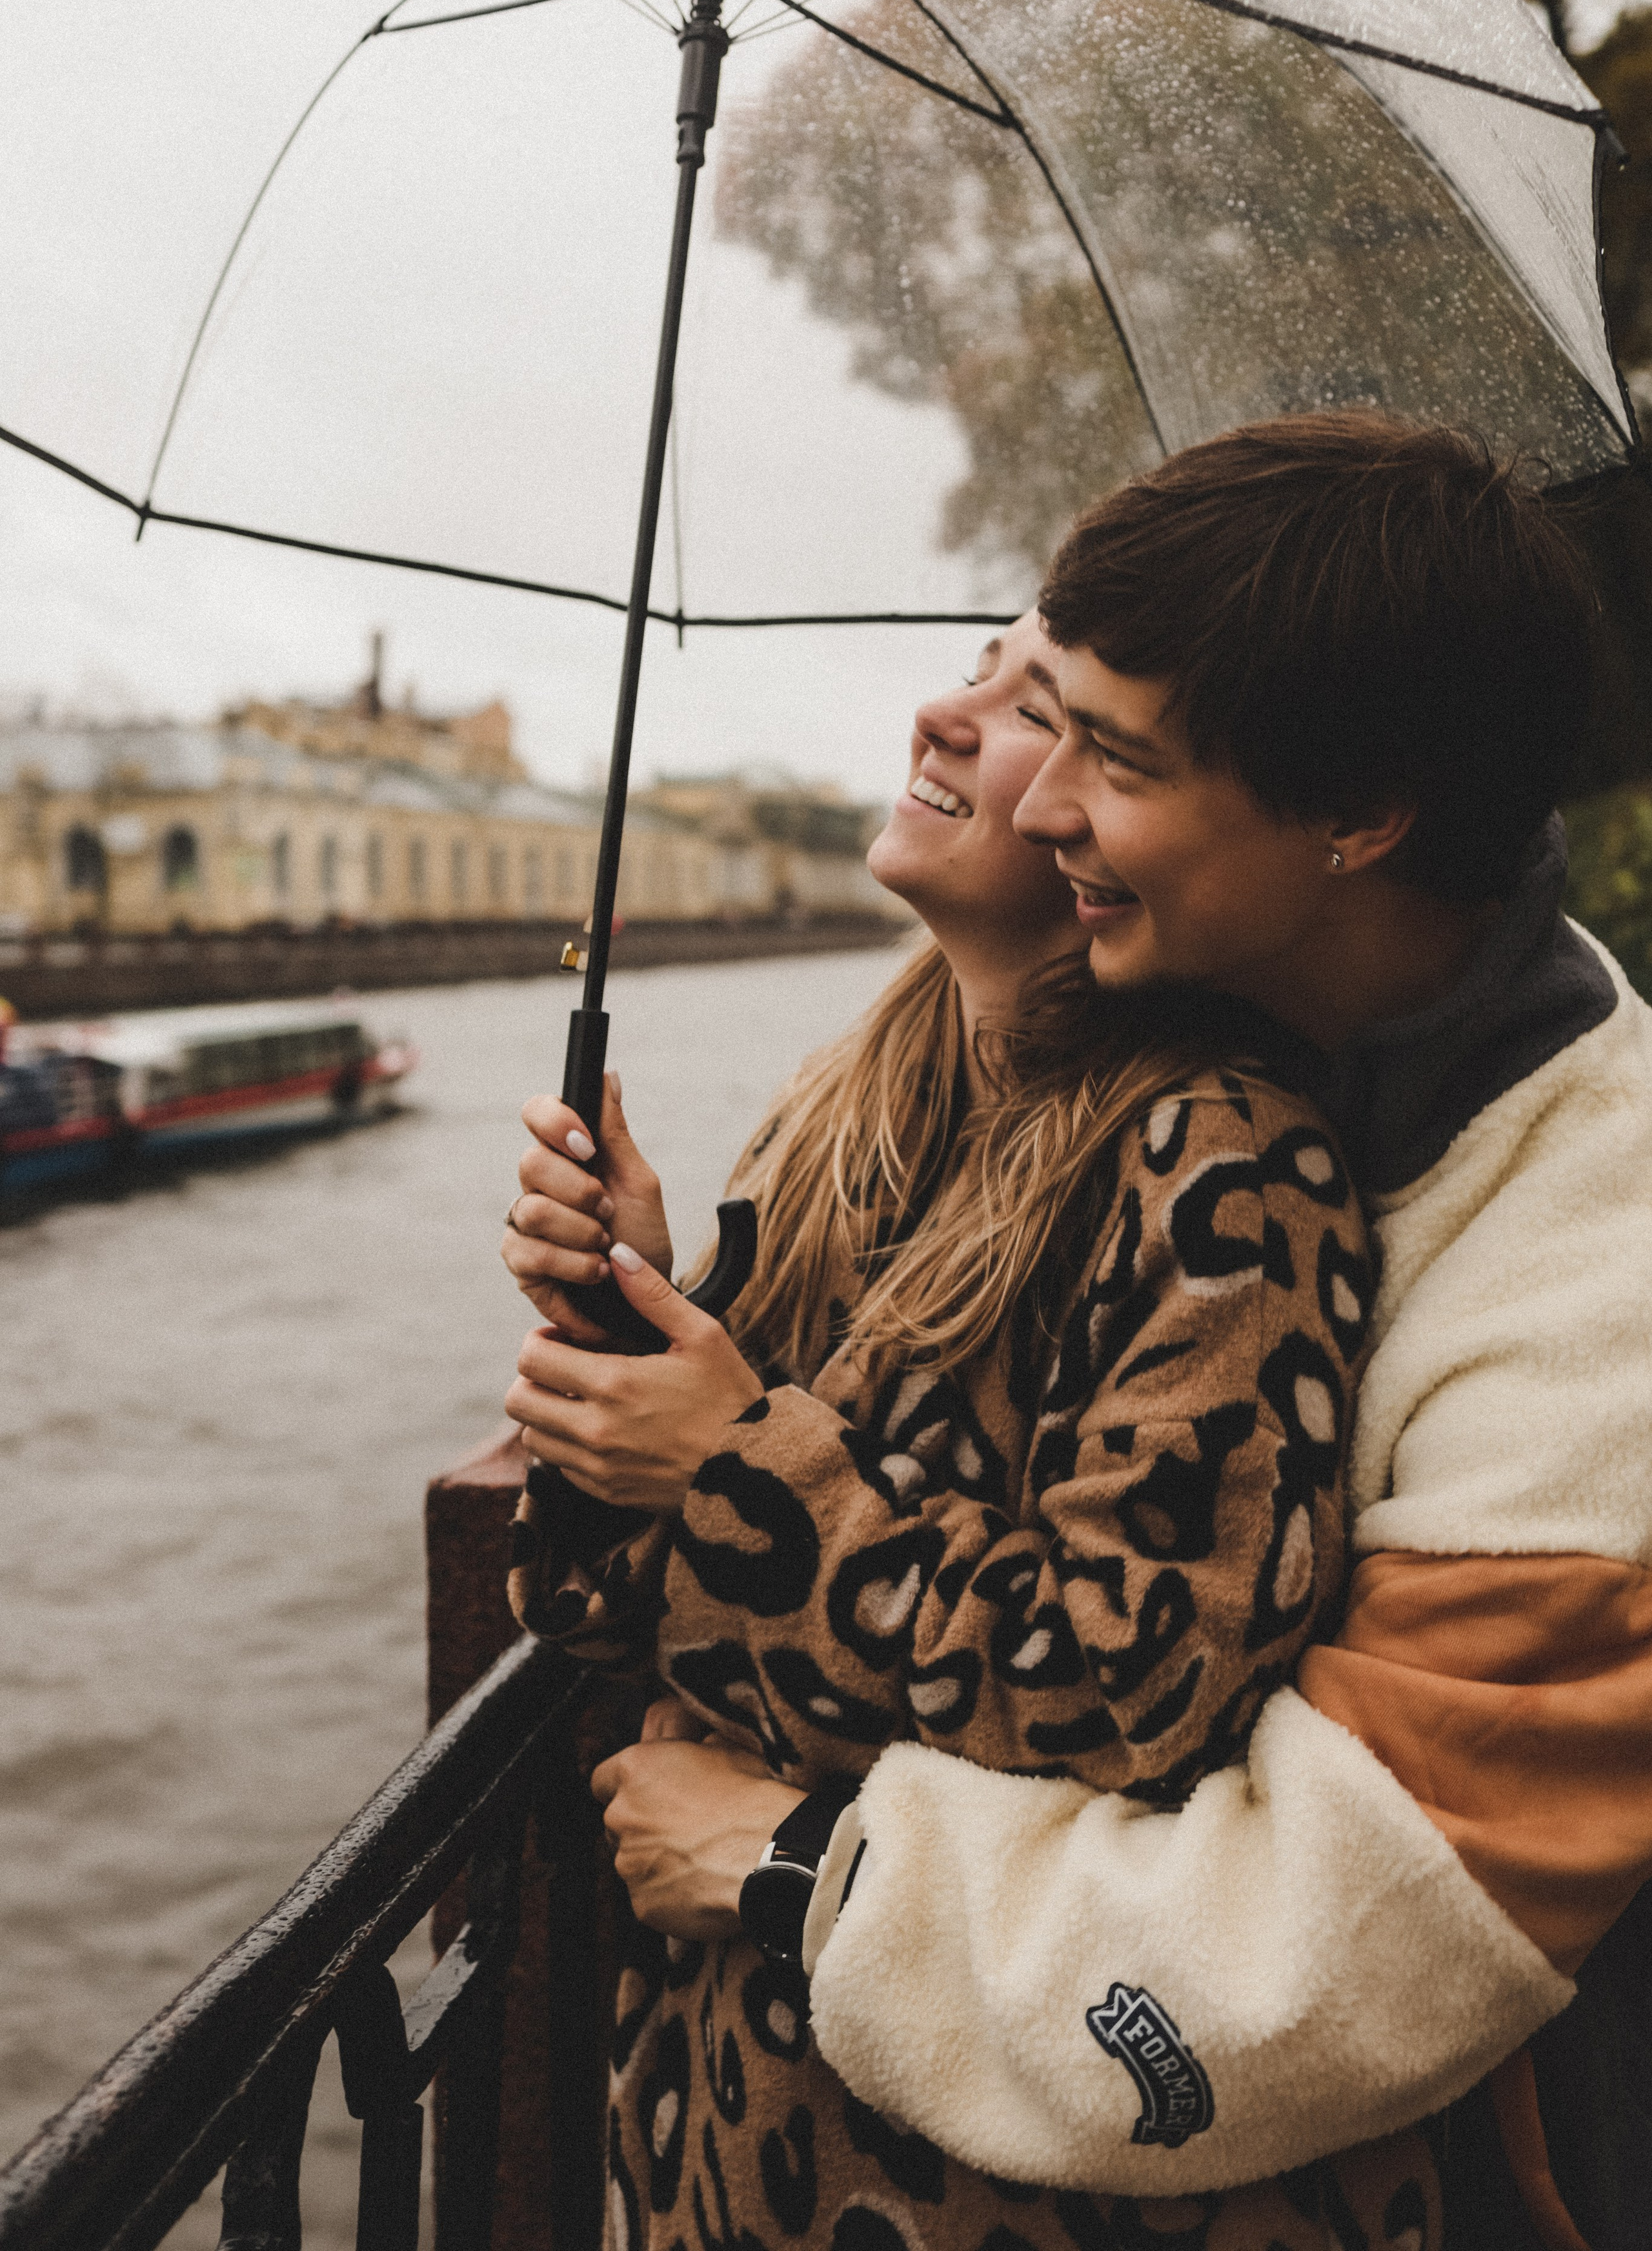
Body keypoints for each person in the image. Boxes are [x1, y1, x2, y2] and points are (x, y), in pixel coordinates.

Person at [581, 413, 1652, 2251]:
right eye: (1044, 719)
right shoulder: (1216, 1066)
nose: (1043, 800)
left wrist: (789, 1873)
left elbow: (1340, 1947)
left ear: (1361, 820)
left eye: (1116, 756)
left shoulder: (1599, 1294)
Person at [502, 608, 1389, 2245]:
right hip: (728, 2144)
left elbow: (1134, 1684)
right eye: (974, 668)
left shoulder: (1226, 1163)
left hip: (998, 2178)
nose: (943, 712)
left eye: (1032, 706)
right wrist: (625, 1325)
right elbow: (616, 1613)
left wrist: (728, 1463)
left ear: (1117, 812)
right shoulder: (852, 1101)